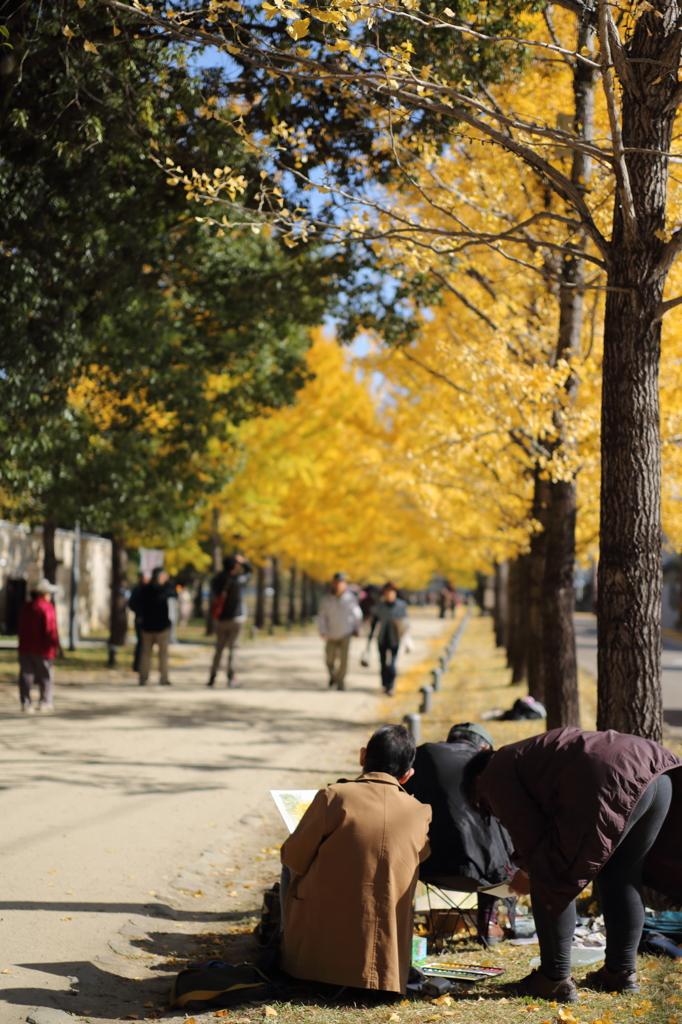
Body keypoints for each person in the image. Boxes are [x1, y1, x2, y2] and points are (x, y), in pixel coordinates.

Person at [461, 726, 682, 1002]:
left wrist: (528, 871)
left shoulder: (494, 774)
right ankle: (620, 973)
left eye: (484, 805)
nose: (490, 809)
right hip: (657, 773)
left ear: (478, 781)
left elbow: (532, 843)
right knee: (621, 874)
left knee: (549, 871)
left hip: (611, 777)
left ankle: (554, 979)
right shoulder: (524, 756)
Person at [280, 724, 431, 995]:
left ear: (363, 757)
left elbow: (293, 856)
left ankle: (284, 942)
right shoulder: (419, 811)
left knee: (289, 866)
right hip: (385, 970)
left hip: (316, 967)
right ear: (407, 775)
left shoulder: (334, 796)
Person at [404, 722, 515, 944]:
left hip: (425, 865)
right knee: (499, 837)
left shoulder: (423, 754)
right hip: (487, 876)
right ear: (483, 749)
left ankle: (405, 924)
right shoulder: (491, 766)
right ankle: (488, 922)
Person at [208, 554, 252, 688]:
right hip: (236, 619)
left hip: (221, 619)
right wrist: (244, 561)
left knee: (219, 649)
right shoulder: (237, 581)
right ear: (235, 567)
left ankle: (212, 676)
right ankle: (231, 677)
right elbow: (249, 573)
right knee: (233, 648)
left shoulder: (216, 580)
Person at [17, 578, 60, 712]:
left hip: (25, 647)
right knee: (45, 676)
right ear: (42, 593)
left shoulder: (26, 607)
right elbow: (50, 629)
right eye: (48, 593)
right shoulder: (47, 607)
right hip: (43, 648)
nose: (50, 595)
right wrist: (55, 645)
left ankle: (26, 703)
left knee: (26, 675)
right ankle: (45, 702)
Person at [317, 571, 362, 690]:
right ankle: (333, 676)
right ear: (333, 583)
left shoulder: (350, 598)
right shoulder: (327, 599)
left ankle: (340, 682)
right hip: (331, 633)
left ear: (345, 584)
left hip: (345, 633)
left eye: (341, 583)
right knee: (329, 659)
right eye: (337, 583)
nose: (339, 585)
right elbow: (322, 616)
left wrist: (357, 628)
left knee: (343, 660)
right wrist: (323, 630)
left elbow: (357, 614)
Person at [137, 567, 175, 686]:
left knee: (145, 654)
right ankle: (164, 678)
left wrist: (140, 616)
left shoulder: (145, 589)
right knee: (163, 654)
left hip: (147, 626)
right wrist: (167, 581)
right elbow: (174, 592)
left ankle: (143, 678)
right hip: (161, 627)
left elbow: (137, 604)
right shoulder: (164, 589)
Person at [369, 582, 408, 696]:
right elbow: (374, 622)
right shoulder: (380, 606)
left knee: (392, 664)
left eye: (391, 592)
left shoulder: (401, 606)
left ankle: (391, 685)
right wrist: (369, 638)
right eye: (387, 593)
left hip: (394, 638)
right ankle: (384, 684)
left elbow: (406, 622)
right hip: (382, 638)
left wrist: (399, 623)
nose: (389, 595)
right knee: (383, 663)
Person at [128, 571, 151, 673]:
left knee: (147, 644)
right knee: (141, 643)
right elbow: (132, 603)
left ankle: (145, 665)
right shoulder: (137, 589)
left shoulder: (150, 589)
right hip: (140, 619)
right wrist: (140, 613)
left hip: (149, 620)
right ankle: (138, 665)